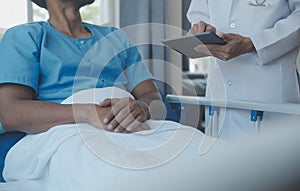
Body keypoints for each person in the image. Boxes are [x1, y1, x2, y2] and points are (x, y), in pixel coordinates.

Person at [0, 0, 165, 182]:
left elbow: (153, 98)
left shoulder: (116, 37)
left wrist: (142, 107)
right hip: (65, 134)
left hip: (134, 127)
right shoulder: (25, 36)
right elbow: (10, 112)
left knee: (198, 160)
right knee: (130, 178)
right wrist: (88, 113)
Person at [187, 0, 300, 138]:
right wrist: (201, 29)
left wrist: (254, 43)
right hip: (219, 93)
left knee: (270, 155)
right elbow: (199, 13)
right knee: (220, 154)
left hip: (268, 90)